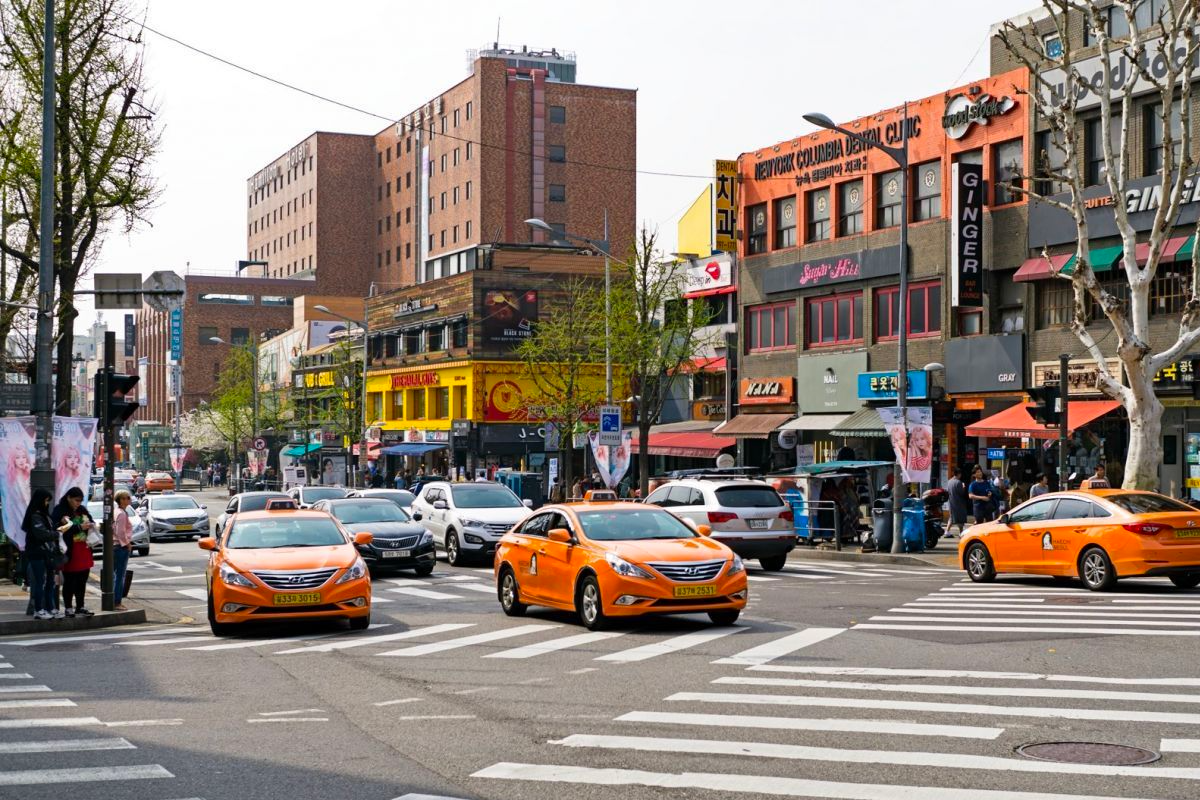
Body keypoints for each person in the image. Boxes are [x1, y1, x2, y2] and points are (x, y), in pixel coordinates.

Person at [52, 487, 95, 618]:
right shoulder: (60, 510)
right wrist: (79, 527)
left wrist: (91, 524)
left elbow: (91, 520)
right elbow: (58, 529)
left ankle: (80, 606)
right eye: (76, 500)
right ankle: (68, 607)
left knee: (82, 580)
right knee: (70, 580)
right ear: (69, 498)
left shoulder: (82, 510)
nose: (78, 503)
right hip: (70, 549)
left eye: (80, 501)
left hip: (84, 548)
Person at [20, 488, 59, 621]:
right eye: (46, 501)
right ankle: (39, 610)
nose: (47, 504)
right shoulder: (36, 515)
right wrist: (57, 534)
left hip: (46, 552)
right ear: (40, 501)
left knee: (49, 581)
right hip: (38, 552)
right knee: (40, 581)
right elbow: (42, 534)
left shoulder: (43, 515)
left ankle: (49, 608)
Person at [112, 490, 135, 611]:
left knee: (115, 574)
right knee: (120, 575)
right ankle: (117, 602)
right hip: (120, 547)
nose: (129, 500)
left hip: (115, 546)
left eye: (129, 497)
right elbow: (120, 531)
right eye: (127, 498)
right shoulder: (121, 514)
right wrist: (127, 544)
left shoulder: (117, 511)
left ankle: (113, 600)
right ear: (121, 500)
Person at [945, 468, 969, 537]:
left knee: (951, 517)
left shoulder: (949, 481)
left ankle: (947, 531)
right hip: (959, 503)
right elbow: (962, 493)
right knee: (960, 518)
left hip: (951, 502)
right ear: (959, 474)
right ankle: (961, 532)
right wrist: (963, 487)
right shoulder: (959, 482)